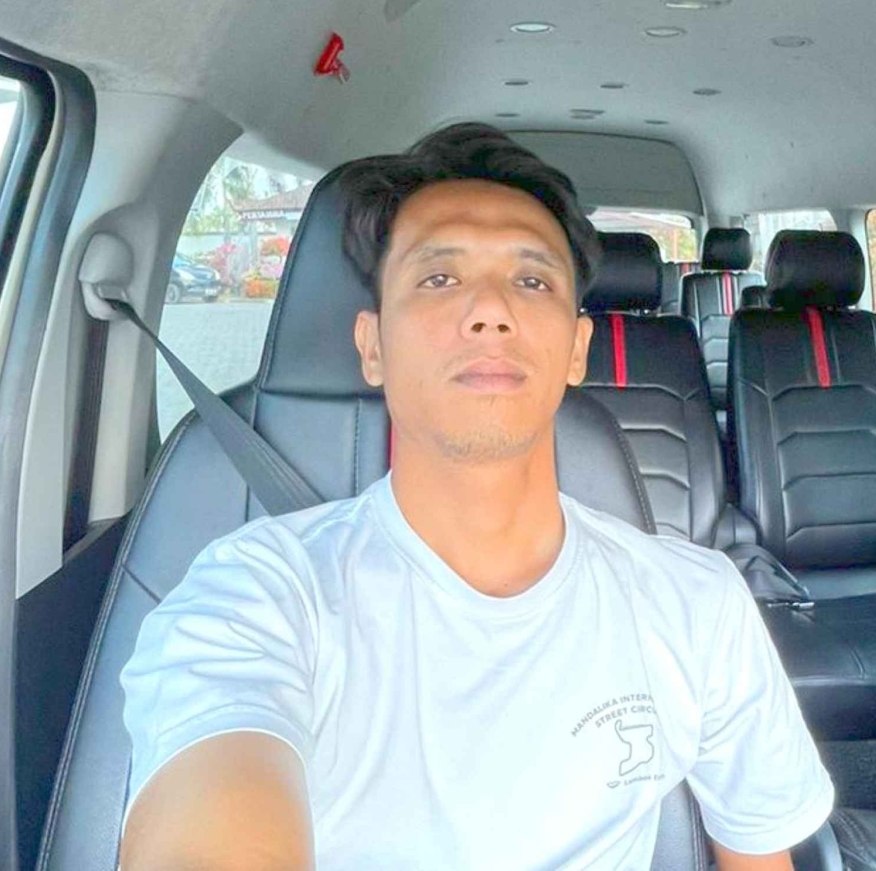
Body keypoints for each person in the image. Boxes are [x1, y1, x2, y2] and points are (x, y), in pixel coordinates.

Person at [118, 123, 833, 870]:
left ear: (577, 350)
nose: (490, 310)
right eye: (438, 278)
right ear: (372, 345)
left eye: (532, 281)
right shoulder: (257, 595)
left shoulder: (698, 604)